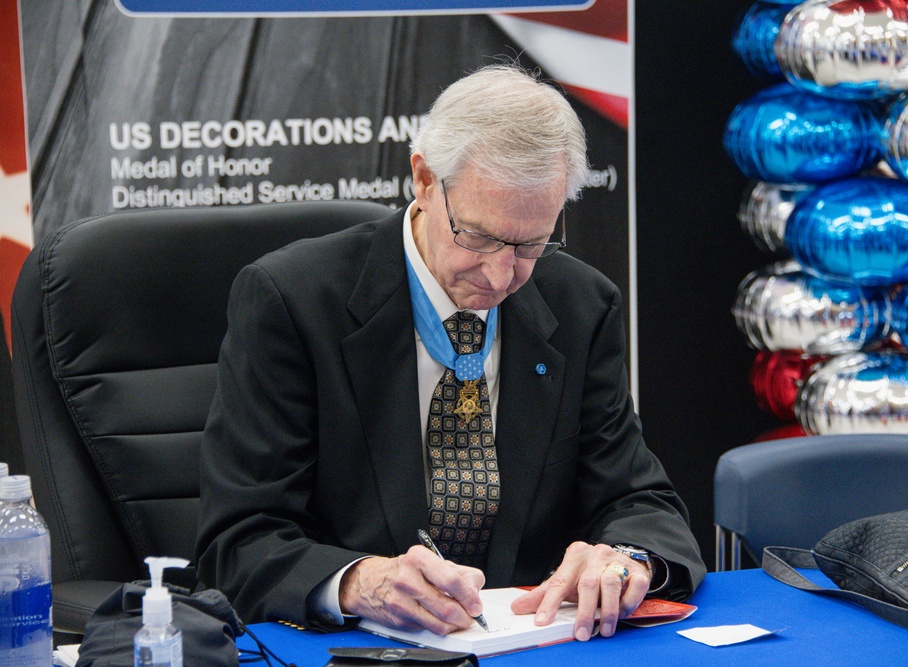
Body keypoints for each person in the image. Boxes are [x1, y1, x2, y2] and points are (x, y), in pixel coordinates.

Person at [195, 64, 705, 644]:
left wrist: (623, 560)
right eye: (480, 237)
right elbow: (237, 540)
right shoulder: (293, 301)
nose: (501, 273)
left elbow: (641, 501)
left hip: (531, 646)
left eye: (531, 243)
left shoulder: (581, 305)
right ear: (424, 179)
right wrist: (360, 581)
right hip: (358, 649)